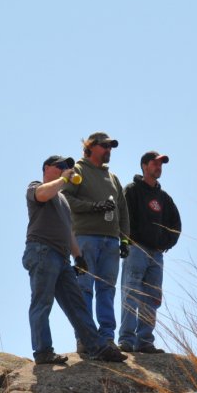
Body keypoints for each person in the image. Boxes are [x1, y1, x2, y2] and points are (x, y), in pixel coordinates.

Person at [23, 155, 106, 365]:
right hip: (42, 250)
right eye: (60, 166)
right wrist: (64, 179)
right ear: (46, 168)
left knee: (77, 304)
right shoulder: (36, 186)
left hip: (61, 257)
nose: (65, 169)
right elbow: (42, 195)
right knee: (42, 303)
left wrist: (78, 257)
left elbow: (68, 232)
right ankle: (43, 351)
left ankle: (97, 347)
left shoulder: (63, 200)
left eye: (67, 167)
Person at [63, 132, 130, 362]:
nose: (109, 150)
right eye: (105, 146)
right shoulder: (78, 172)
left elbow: (123, 210)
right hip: (85, 238)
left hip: (111, 241)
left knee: (107, 291)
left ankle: (107, 338)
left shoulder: (113, 177)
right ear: (90, 147)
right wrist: (94, 207)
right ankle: (85, 339)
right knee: (84, 288)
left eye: (111, 147)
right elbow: (65, 198)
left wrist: (125, 240)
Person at [118, 151, 182, 353]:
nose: (159, 167)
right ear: (144, 166)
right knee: (131, 293)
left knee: (152, 296)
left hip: (156, 254)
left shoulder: (164, 198)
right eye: (155, 163)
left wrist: (165, 243)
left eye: (161, 164)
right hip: (136, 249)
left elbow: (176, 224)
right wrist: (130, 240)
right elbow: (123, 218)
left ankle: (145, 341)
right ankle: (126, 340)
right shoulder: (132, 190)